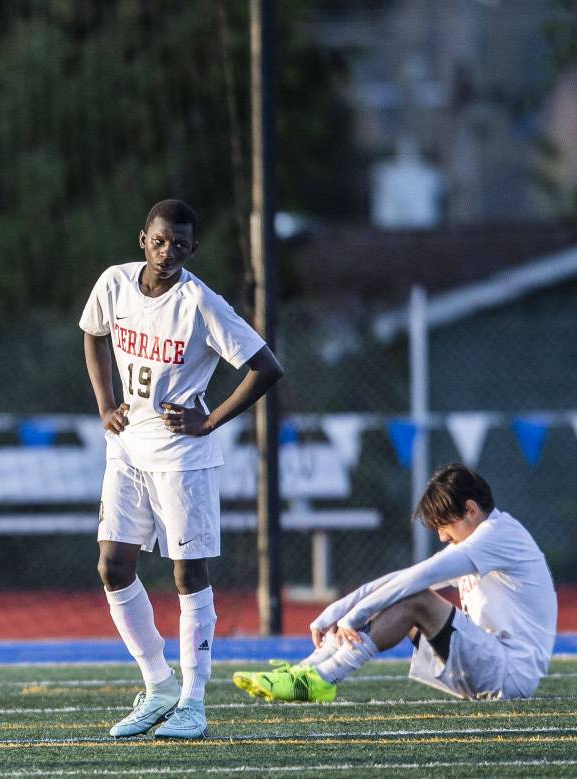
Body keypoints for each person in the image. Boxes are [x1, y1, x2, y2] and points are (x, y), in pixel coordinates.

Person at [79, 199, 284, 739]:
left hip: (181, 458)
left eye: (181, 245)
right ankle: (158, 684)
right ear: (142, 237)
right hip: (125, 448)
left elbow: (267, 366)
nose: (169, 252)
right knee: (112, 566)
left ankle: (193, 702)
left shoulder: (201, 303)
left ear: (193, 250)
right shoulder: (114, 283)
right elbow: (93, 333)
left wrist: (209, 420)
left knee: (187, 574)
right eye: (161, 240)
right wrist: (106, 404)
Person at [233, 463, 557, 703]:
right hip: (488, 666)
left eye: (445, 526)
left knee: (416, 599)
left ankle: (321, 677)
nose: (443, 536)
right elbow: (403, 578)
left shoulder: (496, 536)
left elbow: (419, 580)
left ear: (470, 510)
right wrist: (341, 609)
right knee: (406, 594)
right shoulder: (483, 537)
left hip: (509, 676)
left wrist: (354, 616)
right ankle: (306, 670)